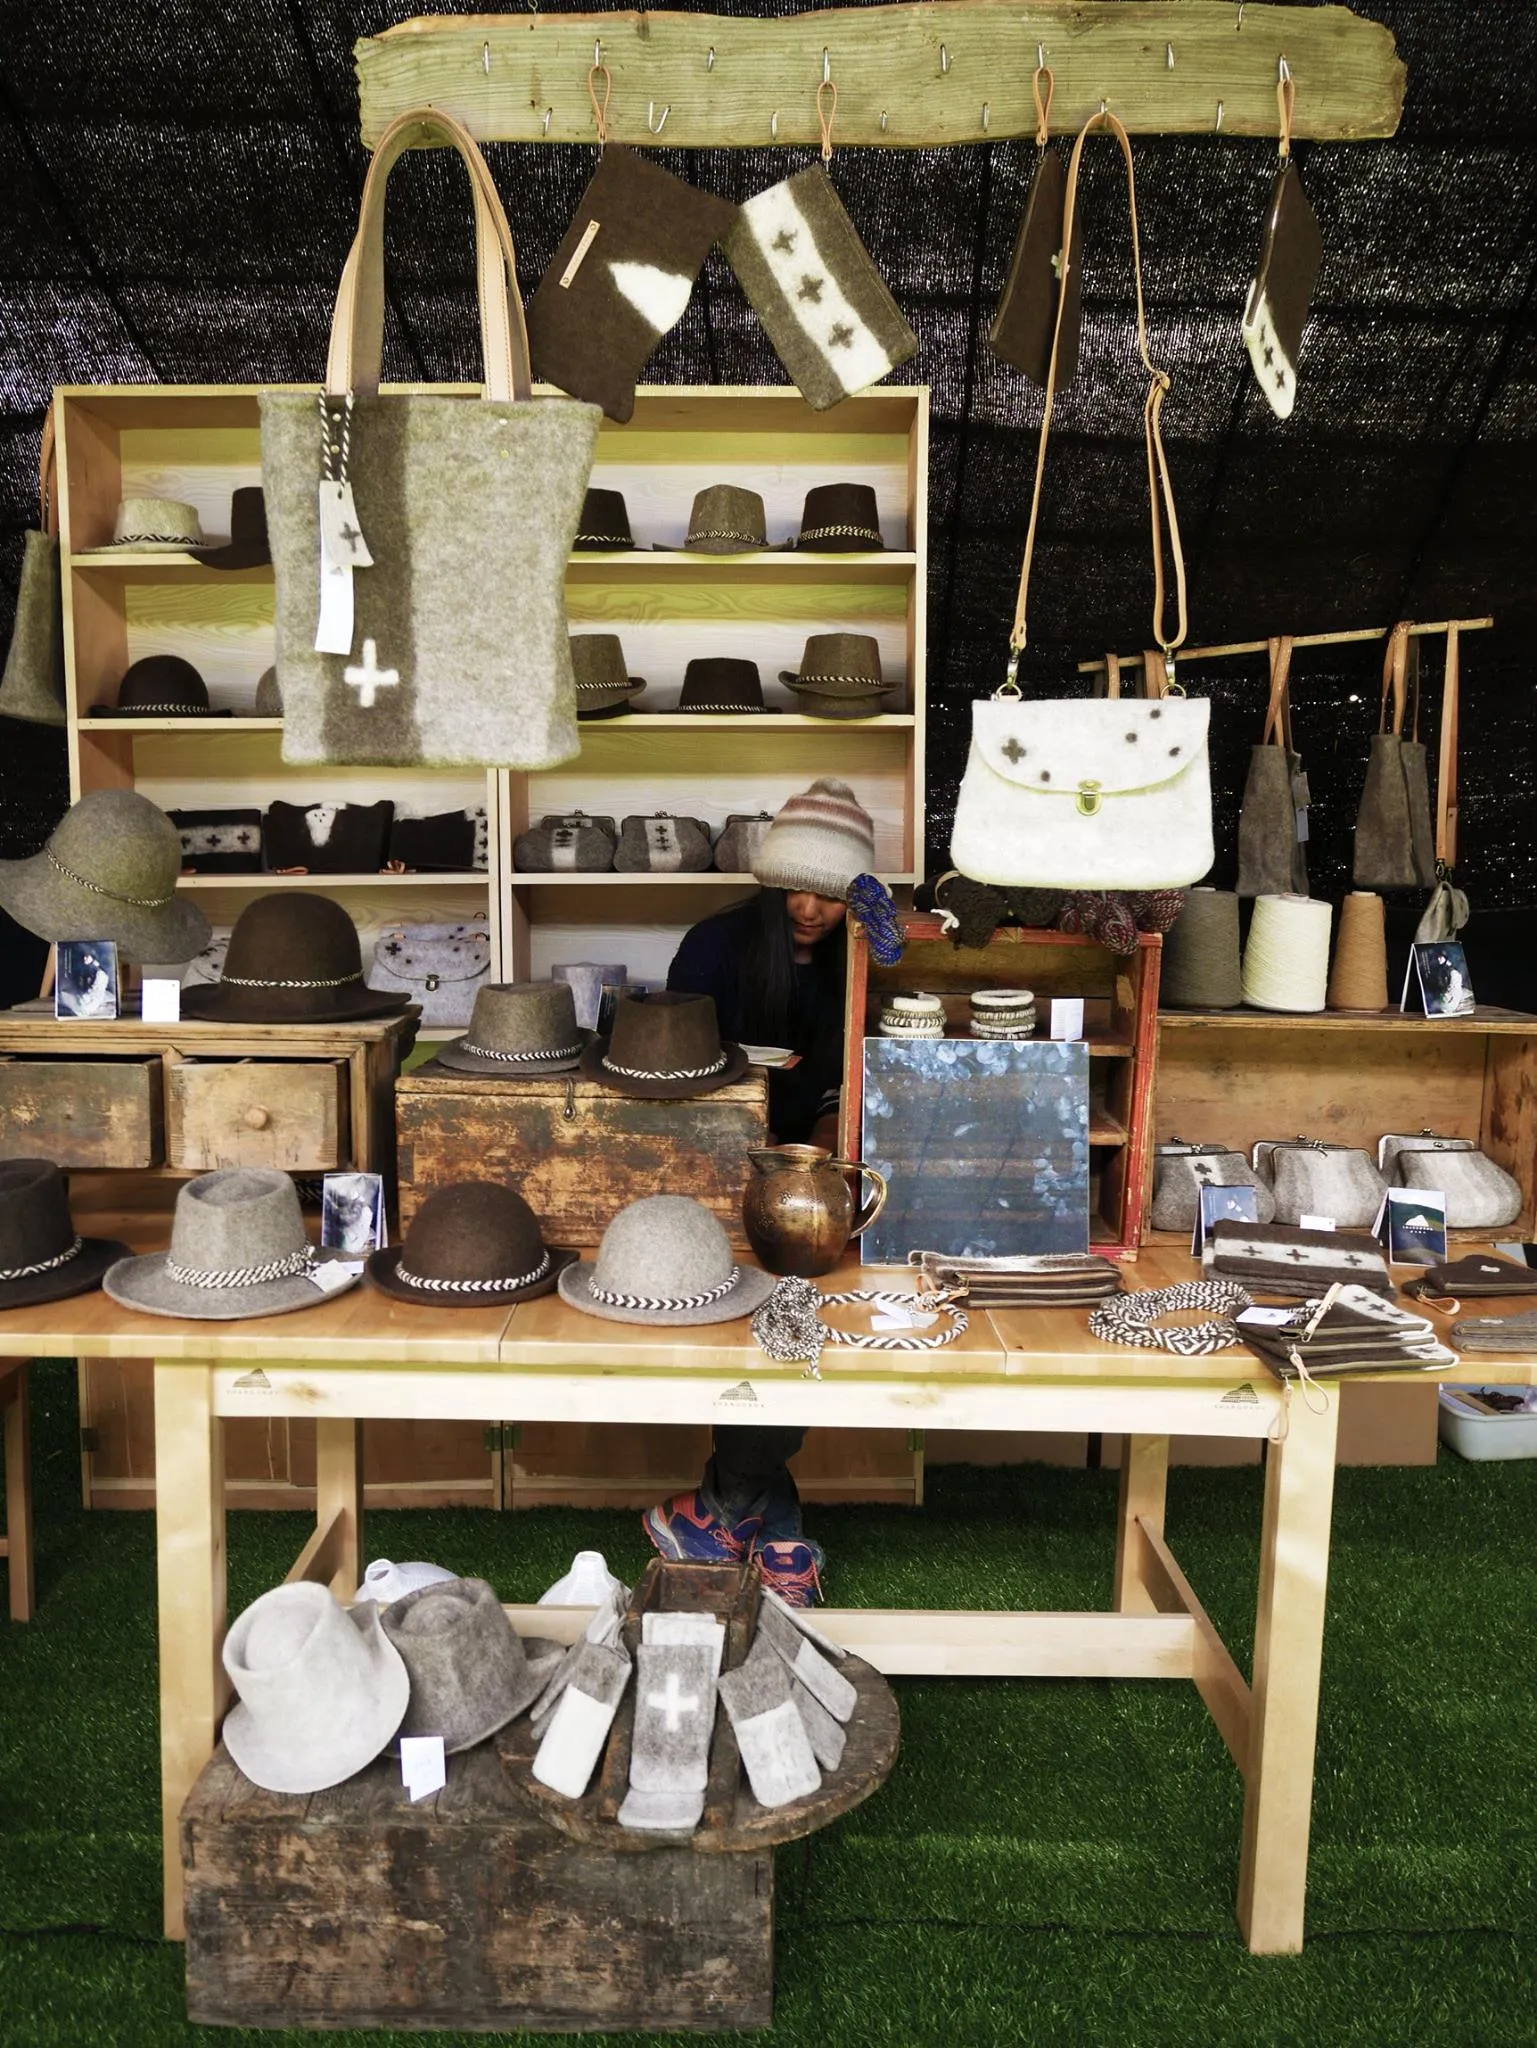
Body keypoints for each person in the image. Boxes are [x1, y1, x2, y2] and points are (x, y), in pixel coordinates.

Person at [641, 778, 879, 1606]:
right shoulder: (715, 944)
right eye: (795, 891)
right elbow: (673, 1067)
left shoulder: (858, 956)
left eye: (832, 894)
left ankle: (721, 1516)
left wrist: (820, 1155)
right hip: (706, 1161)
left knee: (794, 1327)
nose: (809, 909)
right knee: (752, 1334)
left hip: (806, 1181)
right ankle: (758, 1524)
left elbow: (850, 1071)